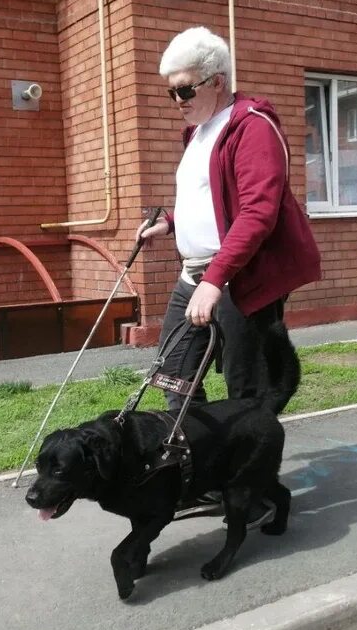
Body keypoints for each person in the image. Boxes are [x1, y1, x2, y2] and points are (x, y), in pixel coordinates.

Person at [136, 26, 321, 526]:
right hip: (197, 273)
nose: (175, 99)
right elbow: (212, 198)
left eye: (183, 89)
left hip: (242, 278)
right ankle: (199, 477)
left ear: (217, 81)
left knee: (246, 395)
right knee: (175, 379)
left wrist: (216, 280)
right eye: (170, 90)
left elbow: (258, 211)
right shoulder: (197, 132)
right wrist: (170, 224)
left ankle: (253, 495)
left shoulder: (253, 126)